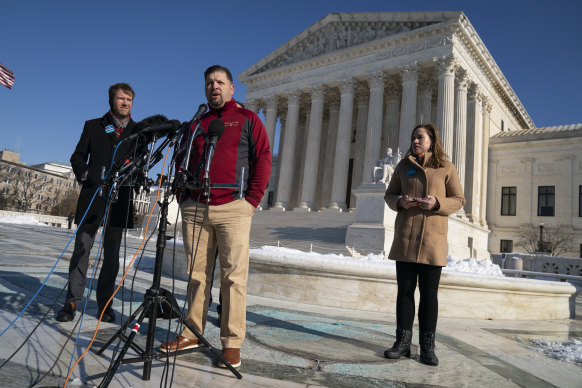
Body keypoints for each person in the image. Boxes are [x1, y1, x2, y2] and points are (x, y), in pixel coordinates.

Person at [160, 65, 272, 369]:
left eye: (220, 82)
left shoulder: (248, 119)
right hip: (196, 207)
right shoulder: (196, 123)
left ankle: (232, 343)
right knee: (197, 275)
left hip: (233, 207)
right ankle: (191, 333)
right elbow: (182, 159)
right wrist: (184, 198)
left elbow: (263, 157)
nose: (214, 87)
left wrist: (251, 200)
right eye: (209, 82)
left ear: (232, 89)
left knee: (233, 277)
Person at [383, 123, 465, 366]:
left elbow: (459, 199)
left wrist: (437, 203)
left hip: (433, 240)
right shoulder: (403, 166)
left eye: (420, 137)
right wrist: (401, 201)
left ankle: (428, 346)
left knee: (429, 295)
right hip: (406, 237)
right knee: (405, 293)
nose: (415, 141)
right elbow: (389, 195)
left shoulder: (445, 167)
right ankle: (403, 343)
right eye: (413, 137)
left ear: (432, 140)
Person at [56, 83, 138, 323]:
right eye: (121, 99)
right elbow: (77, 156)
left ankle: (105, 304)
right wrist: (85, 174)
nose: (125, 103)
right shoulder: (93, 125)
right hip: (93, 197)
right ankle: (71, 302)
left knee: (111, 256)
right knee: (82, 249)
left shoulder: (138, 131)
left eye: (129, 100)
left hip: (120, 198)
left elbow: (141, 161)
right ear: (112, 101)